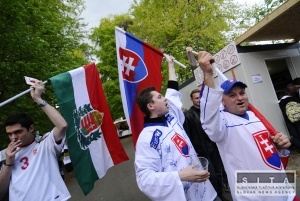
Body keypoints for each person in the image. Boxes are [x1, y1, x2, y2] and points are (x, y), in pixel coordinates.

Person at [197, 51, 293, 201]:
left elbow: (267, 154)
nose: (239, 97)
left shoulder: (255, 116)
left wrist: (281, 146)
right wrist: (208, 75)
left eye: (242, 93)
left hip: (283, 191)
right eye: (232, 95)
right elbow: (209, 115)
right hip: (254, 196)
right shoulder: (222, 124)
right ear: (222, 101)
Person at [134, 55, 219, 201]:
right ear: (151, 106)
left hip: (207, 192)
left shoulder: (171, 117)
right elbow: (144, 179)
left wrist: (170, 65)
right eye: (160, 97)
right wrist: (180, 176)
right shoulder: (146, 138)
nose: (165, 98)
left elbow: (172, 91)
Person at [0, 80, 70, 200]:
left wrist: (38, 98)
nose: (14, 137)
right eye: (9, 134)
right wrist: (9, 163)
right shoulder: (4, 155)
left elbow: (62, 125)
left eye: (18, 132)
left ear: (31, 128)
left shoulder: (45, 143)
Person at [183, 89, 229, 201]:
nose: (199, 100)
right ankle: (217, 195)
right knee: (211, 175)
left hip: (214, 147)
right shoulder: (189, 116)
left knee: (219, 172)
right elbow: (187, 136)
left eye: (200, 97)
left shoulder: (207, 111)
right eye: (196, 98)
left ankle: (220, 193)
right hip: (202, 151)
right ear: (192, 99)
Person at [278, 82, 300, 150]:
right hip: (299, 118)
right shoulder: (293, 98)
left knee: (295, 134)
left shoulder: (280, 102)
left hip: (289, 120)